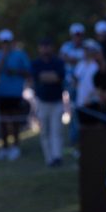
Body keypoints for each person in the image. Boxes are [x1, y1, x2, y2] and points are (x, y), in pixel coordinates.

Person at [0, 29, 30, 161]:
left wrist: (16, 71)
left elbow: (28, 72)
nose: (5, 44)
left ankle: (15, 147)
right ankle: (4, 147)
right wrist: (3, 57)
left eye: (7, 42)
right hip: (2, 92)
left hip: (16, 92)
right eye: (3, 42)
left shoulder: (20, 55)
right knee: (3, 121)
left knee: (15, 121)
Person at [31, 39, 66, 167]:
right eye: (43, 47)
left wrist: (47, 76)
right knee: (45, 131)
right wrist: (51, 76)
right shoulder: (36, 63)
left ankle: (57, 157)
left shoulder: (58, 62)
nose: (45, 49)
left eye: (47, 46)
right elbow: (38, 77)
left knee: (56, 130)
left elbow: (58, 77)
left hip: (57, 101)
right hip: (42, 102)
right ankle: (49, 158)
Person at [60, 22, 86, 146]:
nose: (77, 37)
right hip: (70, 84)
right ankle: (74, 139)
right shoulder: (66, 46)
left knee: (84, 111)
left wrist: (73, 60)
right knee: (72, 112)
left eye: (79, 35)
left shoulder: (87, 47)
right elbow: (63, 58)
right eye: (75, 35)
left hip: (84, 86)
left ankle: (84, 138)